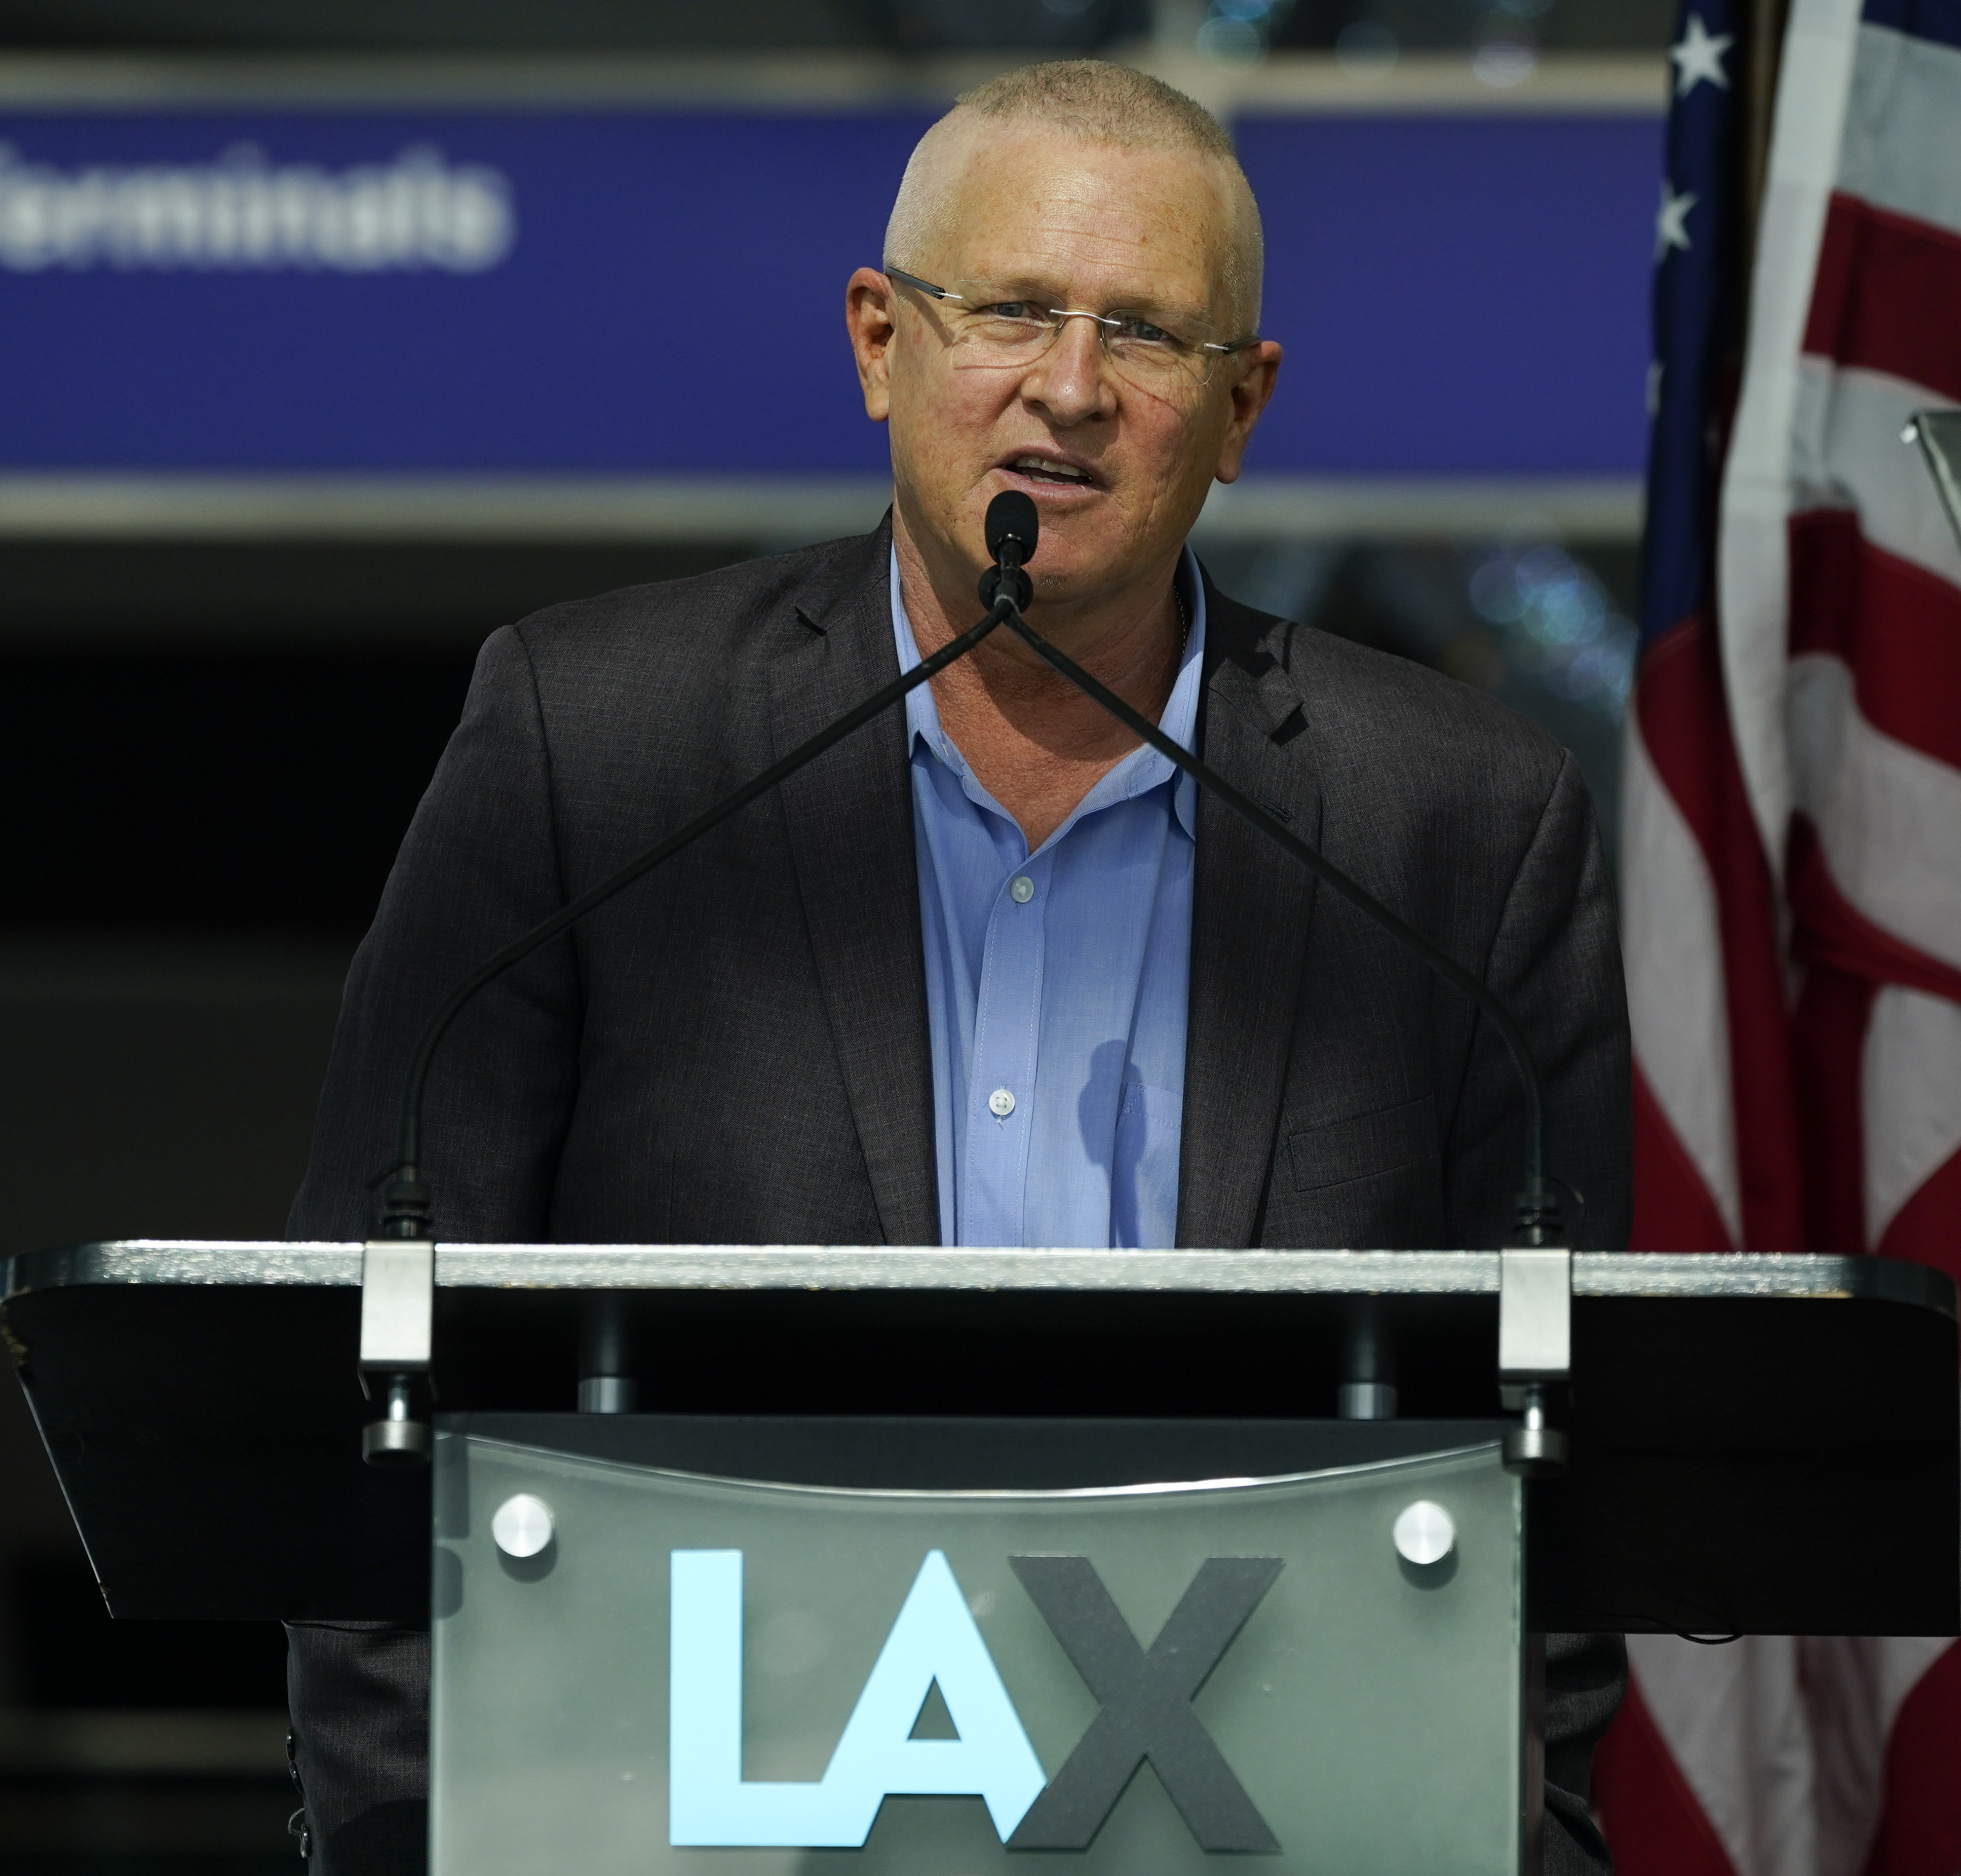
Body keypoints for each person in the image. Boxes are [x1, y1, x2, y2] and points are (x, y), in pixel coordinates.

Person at [281, 58, 1630, 1876]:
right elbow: (373, 1363)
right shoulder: (598, 746)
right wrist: (410, 1841)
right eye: (1008, 310)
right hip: (690, 1821)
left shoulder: (1455, 825)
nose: (1066, 390)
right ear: (877, 340)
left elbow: (1562, 1449)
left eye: (1147, 335)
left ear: (1242, 409)